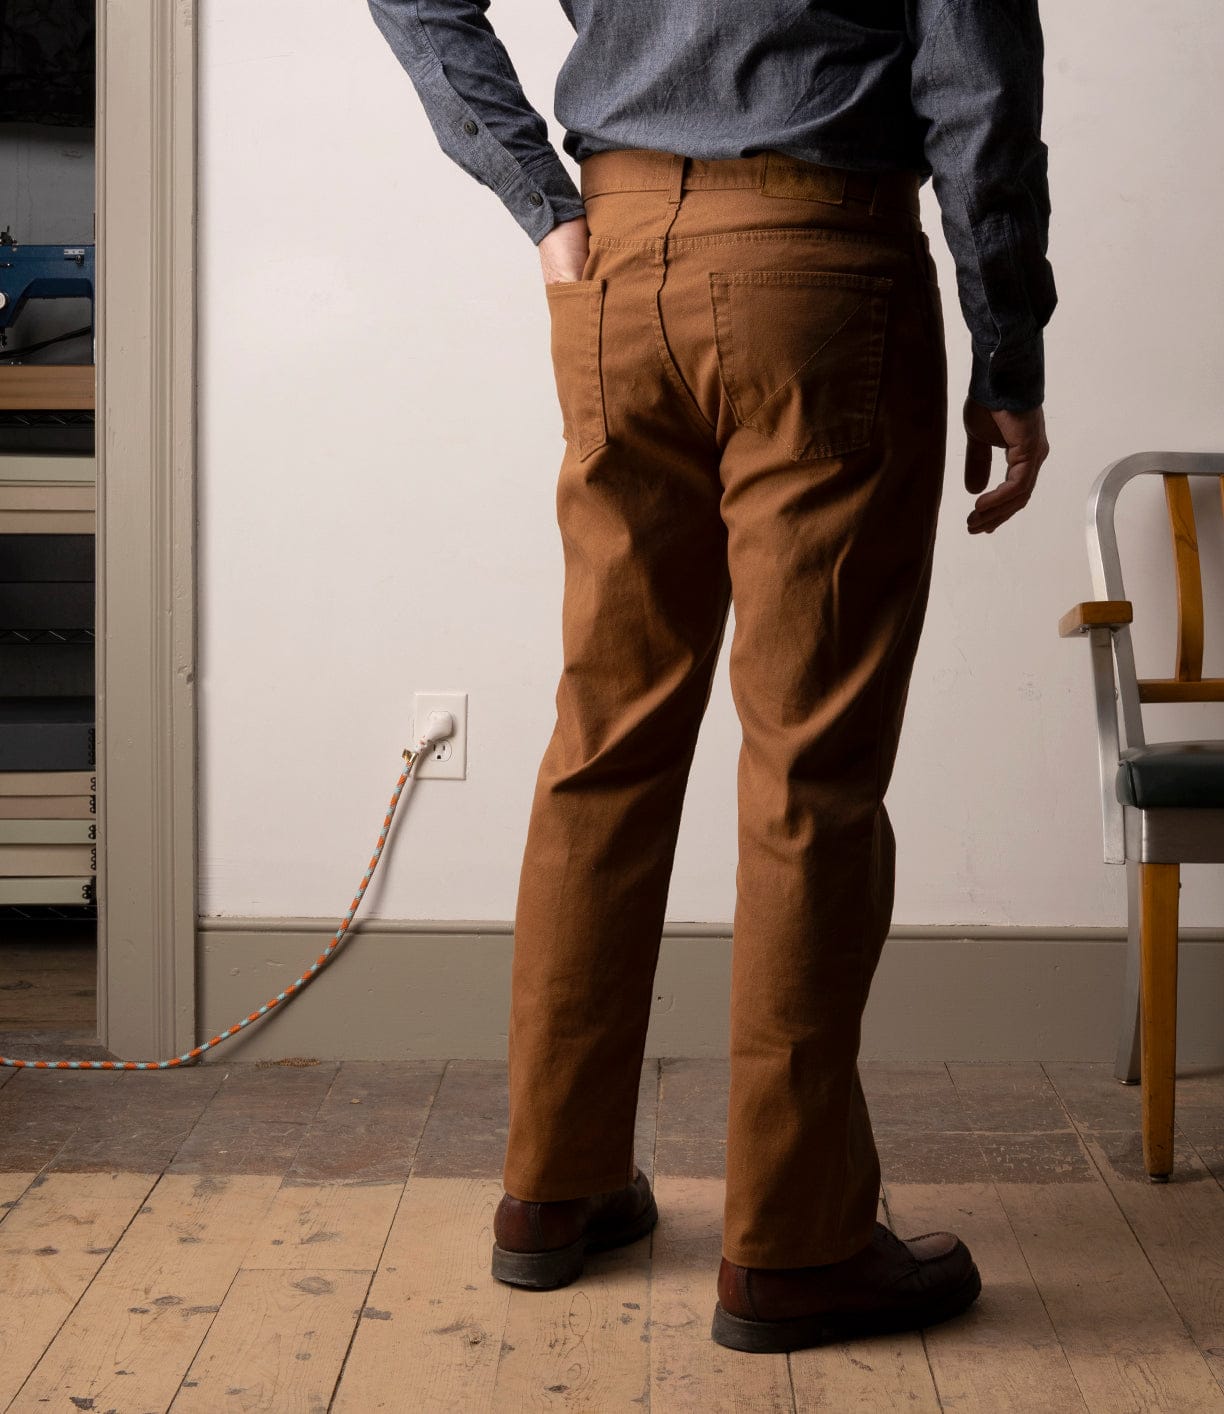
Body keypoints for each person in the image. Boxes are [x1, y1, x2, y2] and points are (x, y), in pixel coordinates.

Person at [367, 0, 1055, 1354]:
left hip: (618, 265)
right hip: (823, 263)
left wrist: (545, 200)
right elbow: (978, 78)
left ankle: (553, 1187)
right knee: (810, 765)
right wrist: (1008, 340)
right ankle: (795, 1247)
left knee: (602, 739)